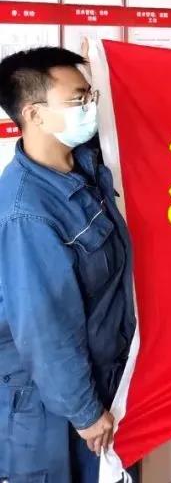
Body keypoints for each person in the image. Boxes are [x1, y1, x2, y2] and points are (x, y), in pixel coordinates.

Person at [0, 47, 137, 483]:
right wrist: (85, 412)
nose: (91, 107)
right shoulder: (27, 213)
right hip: (54, 403)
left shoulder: (84, 168)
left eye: (90, 95)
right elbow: (45, 329)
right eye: (78, 99)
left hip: (106, 376)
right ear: (34, 114)